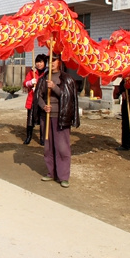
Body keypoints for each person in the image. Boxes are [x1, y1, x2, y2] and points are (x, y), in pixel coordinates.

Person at [33, 53, 80, 188]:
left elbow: (67, 97)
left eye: (54, 61)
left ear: (59, 62)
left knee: (62, 147)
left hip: (61, 117)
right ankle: (51, 173)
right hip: (47, 116)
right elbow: (38, 96)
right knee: (48, 147)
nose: (51, 63)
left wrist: (54, 87)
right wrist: (43, 106)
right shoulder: (43, 79)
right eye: (49, 61)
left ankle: (63, 176)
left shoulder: (66, 78)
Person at [22, 54, 47, 145]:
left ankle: (42, 138)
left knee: (42, 120)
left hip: (42, 100)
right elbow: (25, 83)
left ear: (45, 63)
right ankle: (28, 137)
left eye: (41, 62)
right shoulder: (32, 72)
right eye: (37, 62)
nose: (39, 64)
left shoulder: (47, 73)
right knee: (30, 119)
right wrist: (30, 83)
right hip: (32, 99)